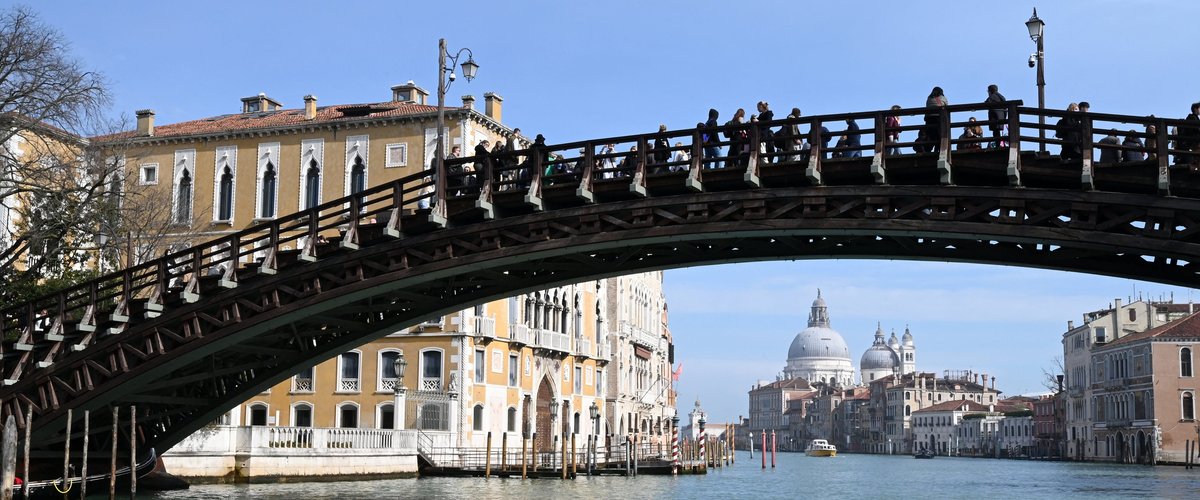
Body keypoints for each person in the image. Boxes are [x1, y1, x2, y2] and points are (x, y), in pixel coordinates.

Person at [924, 87, 948, 152]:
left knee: (931, 135)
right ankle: (938, 150)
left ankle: (927, 150)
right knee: (939, 135)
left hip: (929, 119)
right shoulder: (942, 98)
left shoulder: (929, 98)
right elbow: (946, 106)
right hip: (939, 118)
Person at [1179, 102, 1200, 167]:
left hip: (1195, 142)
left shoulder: (1194, 117)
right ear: (1195, 109)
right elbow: (1195, 130)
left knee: (1197, 157)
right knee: (1197, 156)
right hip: (1194, 142)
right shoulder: (1192, 117)